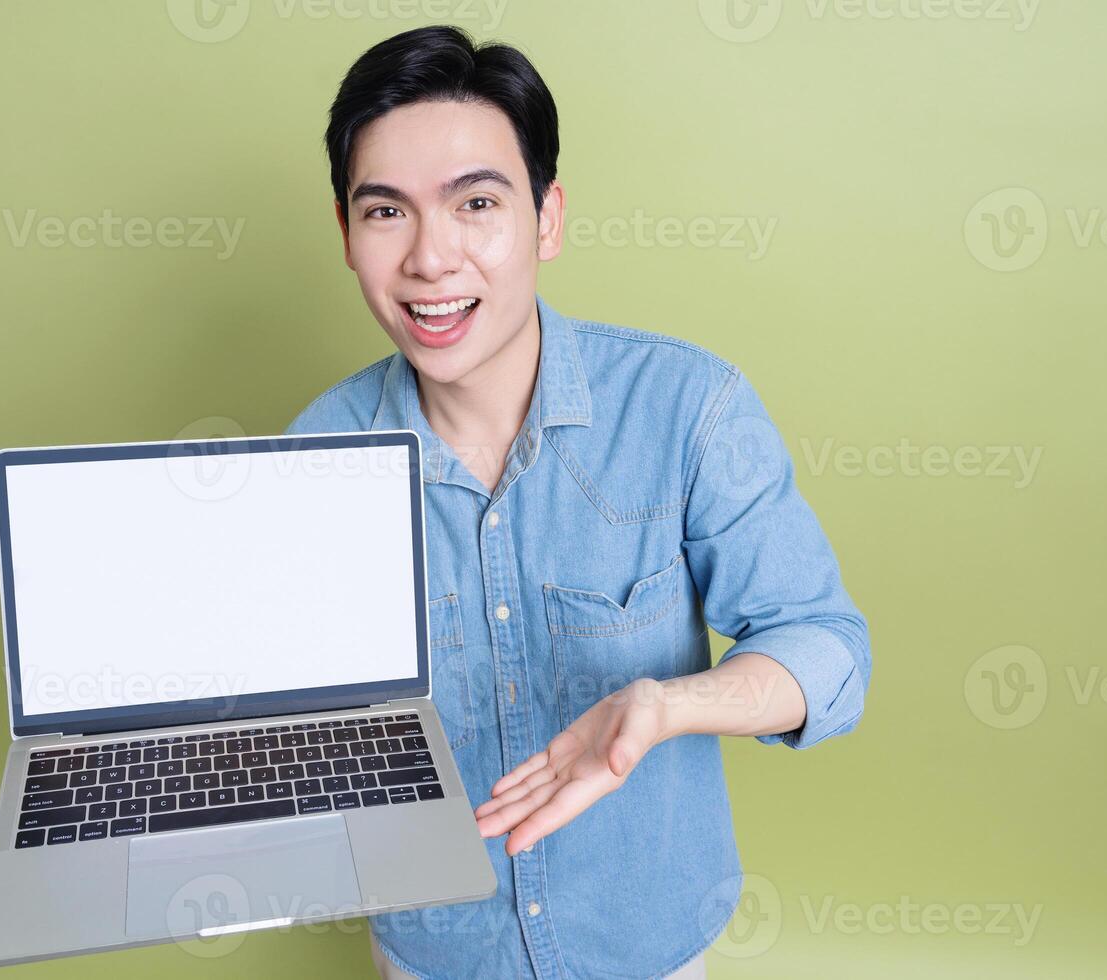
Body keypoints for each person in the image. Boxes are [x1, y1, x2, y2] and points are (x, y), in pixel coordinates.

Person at [284, 25, 871, 979]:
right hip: (438, 953)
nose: (432, 259)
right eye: (385, 212)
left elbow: (826, 646)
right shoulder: (312, 457)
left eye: (476, 202)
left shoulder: (688, 406)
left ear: (547, 218)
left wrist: (669, 703)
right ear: (346, 235)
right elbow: (289, 715)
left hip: (650, 942)